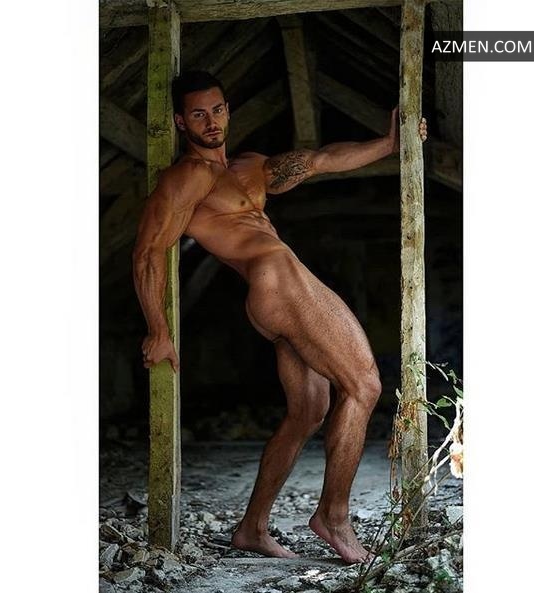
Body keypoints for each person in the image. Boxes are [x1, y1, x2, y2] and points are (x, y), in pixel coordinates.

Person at [133, 71, 428, 564]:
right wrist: (158, 329)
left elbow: (320, 160)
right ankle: (333, 516)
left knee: (308, 411)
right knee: (365, 385)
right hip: (278, 281)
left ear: (228, 110)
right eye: (199, 114)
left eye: (218, 110)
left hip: (278, 291)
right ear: (182, 122)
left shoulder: (249, 167)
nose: (211, 122)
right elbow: (148, 251)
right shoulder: (187, 176)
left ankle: (252, 527)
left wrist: (388, 144)